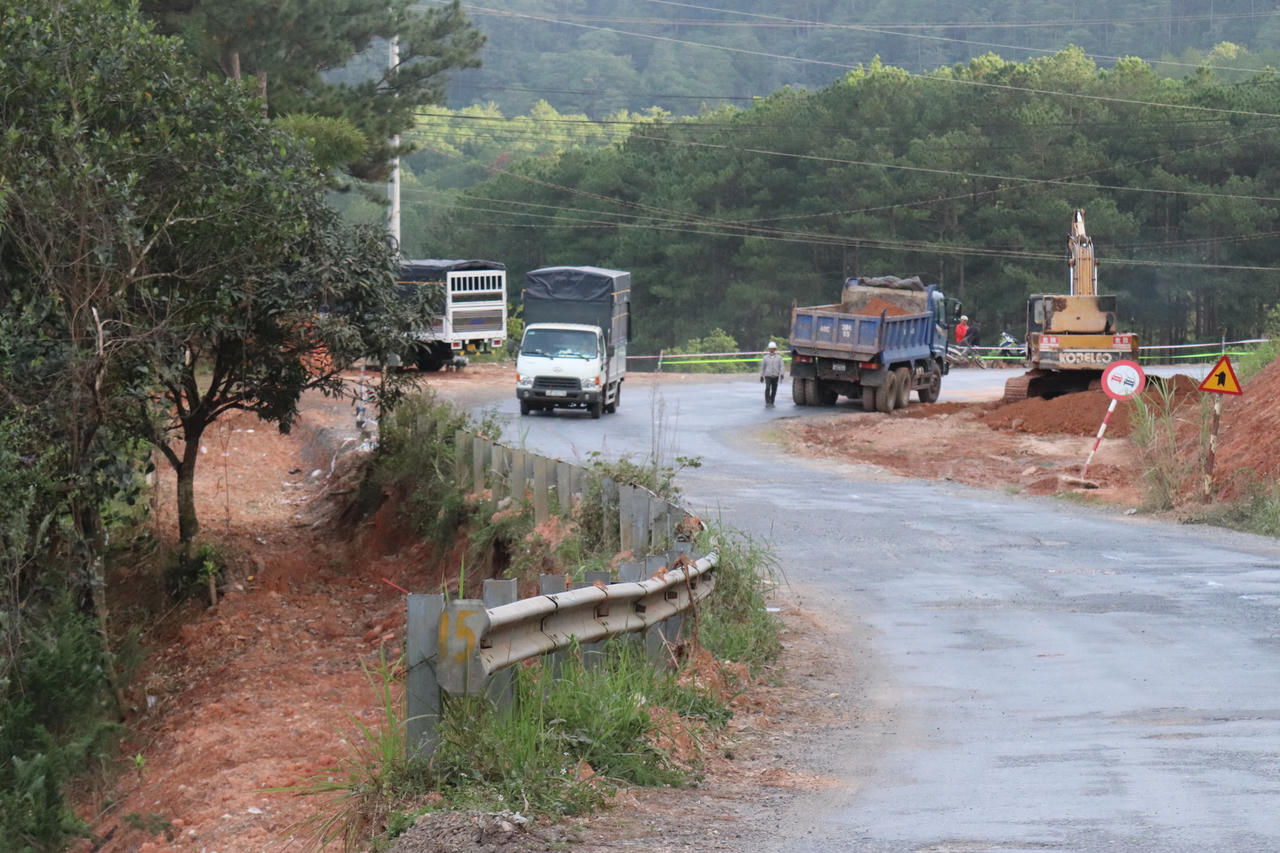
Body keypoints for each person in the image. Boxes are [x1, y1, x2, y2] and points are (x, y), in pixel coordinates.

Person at [760, 341, 785, 407]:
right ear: (769, 349)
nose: (771, 350)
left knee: (774, 389)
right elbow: (762, 367)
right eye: (770, 349)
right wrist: (761, 376)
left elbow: (782, 366)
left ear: (775, 349)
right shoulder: (765, 358)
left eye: (773, 349)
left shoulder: (779, 358)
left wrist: (782, 374)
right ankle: (767, 402)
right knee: (767, 388)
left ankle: (772, 401)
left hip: (775, 376)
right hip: (768, 375)